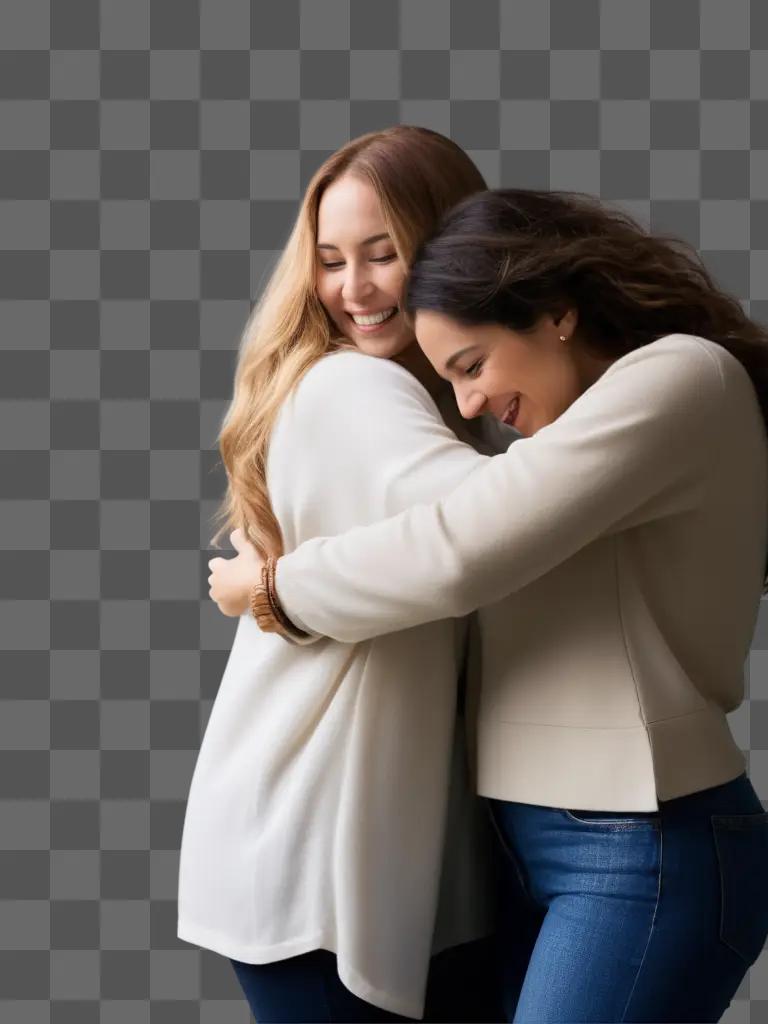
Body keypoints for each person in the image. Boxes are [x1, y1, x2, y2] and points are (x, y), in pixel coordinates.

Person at [208, 188, 768, 1022]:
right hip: (528, 846)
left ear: (555, 315)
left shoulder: (681, 377)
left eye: (471, 366)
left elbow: (459, 547)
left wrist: (277, 589)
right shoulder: (570, 437)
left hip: (642, 847)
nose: (467, 405)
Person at [177, 125, 516, 1023]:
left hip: (301, 833)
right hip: (319, 845)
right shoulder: (358, 390)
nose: (353, 290)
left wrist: (274, 592)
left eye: (382, 255)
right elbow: (503, 524)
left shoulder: (394, 394)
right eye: (330, 260)